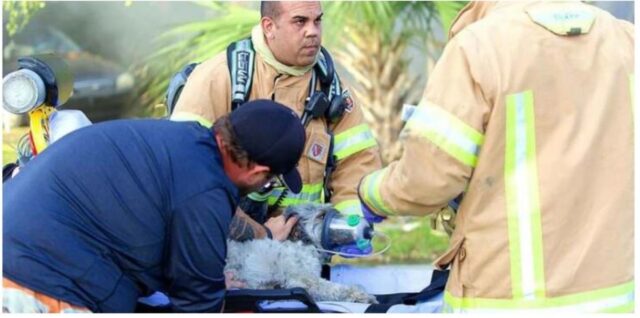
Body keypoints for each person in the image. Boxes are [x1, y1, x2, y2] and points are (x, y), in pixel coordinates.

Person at [358, 1, 634, 313]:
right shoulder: (626, 41)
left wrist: (372, 193)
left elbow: (428, 179)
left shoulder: (480, 48)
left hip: (505, 300)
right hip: (615, 300)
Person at [3, 100, 306, 313]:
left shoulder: (181, 140)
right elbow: (198, 307)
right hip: (38, 289)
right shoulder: (205, 191)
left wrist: (204, 278)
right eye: (270, 181)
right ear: (257, 172)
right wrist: (207, 288)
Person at [171, 1, 382, 250]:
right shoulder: (219, 77)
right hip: (226, 249)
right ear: (268, 26)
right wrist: (256, 232)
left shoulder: (333, 89)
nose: (313, 31)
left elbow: (356, 163)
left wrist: (348, 227)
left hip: (303, 253)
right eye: (300, 21)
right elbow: (186, 173)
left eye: (318, 21)